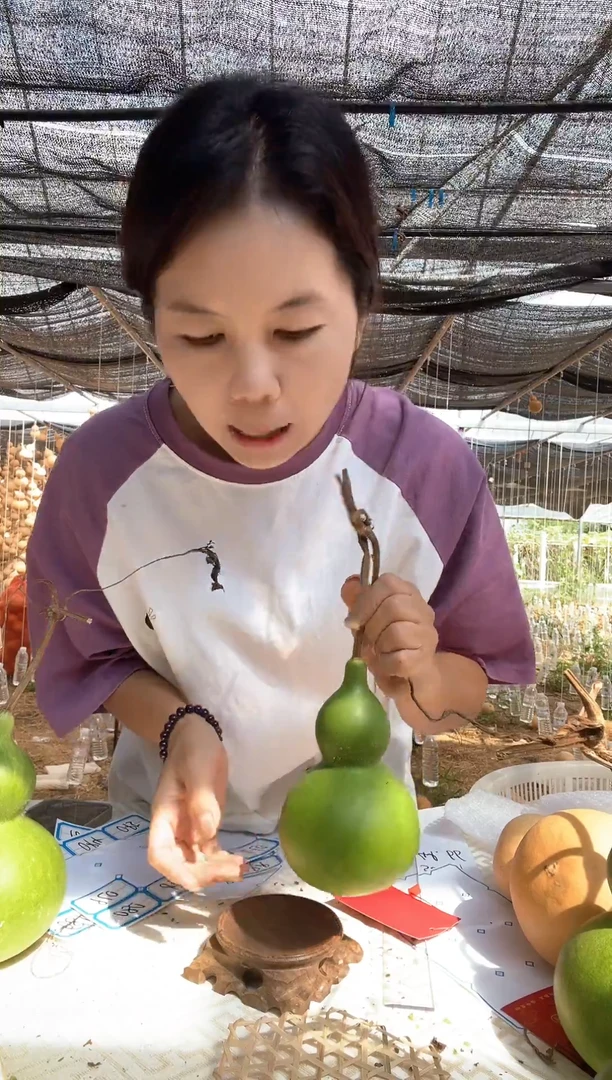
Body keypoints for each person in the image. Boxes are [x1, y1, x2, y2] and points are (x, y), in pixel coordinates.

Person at [27, 75, 535, 893]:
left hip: (359, 864)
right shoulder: (101, 478)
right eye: (200, 335)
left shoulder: (427, 471)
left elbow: (476, 678)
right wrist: (182, 729)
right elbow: (96, 659)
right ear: (152, 315)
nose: (253, 384)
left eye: (296, 330)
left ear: (363, 307)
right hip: (163, 851)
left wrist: (423, 674)